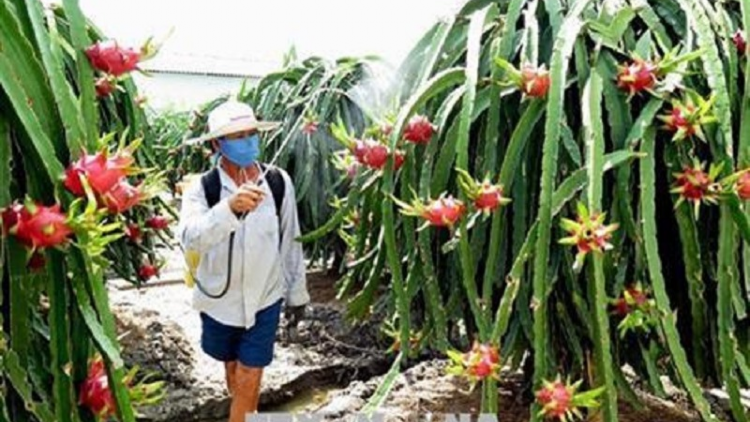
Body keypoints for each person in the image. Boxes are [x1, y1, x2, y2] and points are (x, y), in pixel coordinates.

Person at [178, 100, 310, 421]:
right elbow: (190, 238)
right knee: (234, 370)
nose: (248, 142)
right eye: (237, 136)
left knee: (250, 374)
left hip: (266, 298)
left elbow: (290, 240)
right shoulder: (202, 189)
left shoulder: (278, 182)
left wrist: (297, 297)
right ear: (216, 144)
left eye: (251, 134)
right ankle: (244, 412)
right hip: (219, 302)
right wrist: (229, 209)